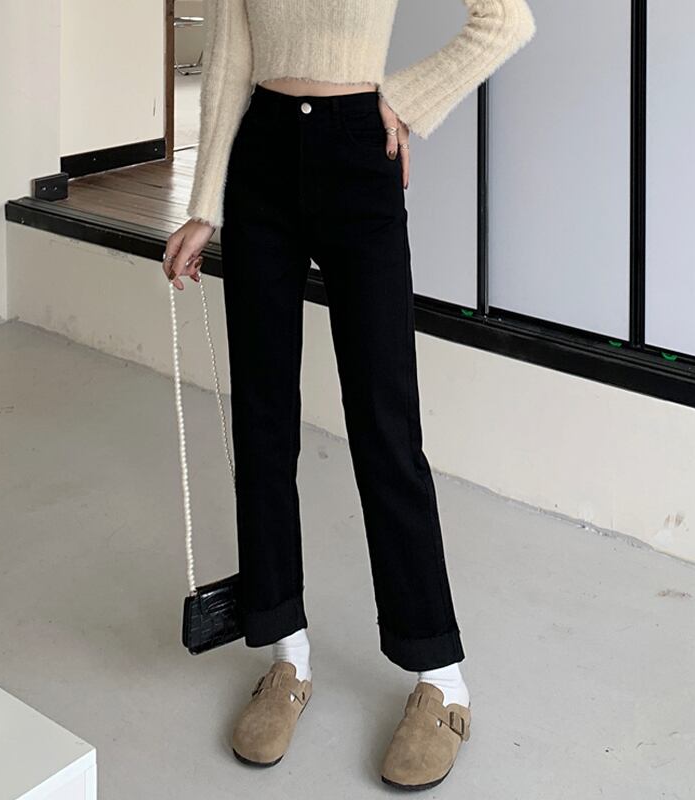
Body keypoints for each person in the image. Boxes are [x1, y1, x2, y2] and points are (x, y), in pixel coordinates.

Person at [162, 0, 536, 790]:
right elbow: (228, 62)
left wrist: (402, 99)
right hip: (262, 159)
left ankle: (441, 677)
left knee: (385, 424)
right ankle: (286, 653)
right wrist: (203, 206)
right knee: (263, 423)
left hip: (358, 156)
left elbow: (505, 20)